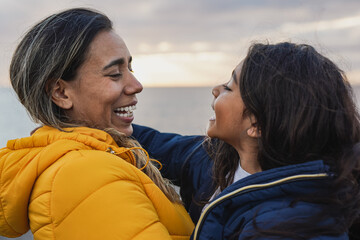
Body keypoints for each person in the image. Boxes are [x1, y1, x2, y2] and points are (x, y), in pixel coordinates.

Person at [0, 8, 194, 240]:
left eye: (129, 68)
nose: (136, 84)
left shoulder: (90, 158)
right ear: (61, 93)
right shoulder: (85, 174)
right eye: (114, 74)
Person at [132, 42, 360, 239]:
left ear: (256, 124)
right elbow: (149, 143)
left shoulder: (299, 225)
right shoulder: (215, 159)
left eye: (229, 87)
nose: (215, 89)